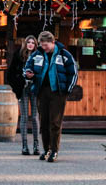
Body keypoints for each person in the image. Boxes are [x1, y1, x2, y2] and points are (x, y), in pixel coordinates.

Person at [24, 30, 77, 163]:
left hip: (58, 93)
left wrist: (67, 91)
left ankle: (54, 150)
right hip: (42, 92)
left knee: (55, 122)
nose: (44, 47)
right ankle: (46, 149)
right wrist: (28, 73)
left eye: (46, 45)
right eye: (42, 45)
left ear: (53, 42)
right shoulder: (37, 54)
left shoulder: (64, 55)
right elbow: (27, 67)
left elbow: (73, 73)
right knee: (44, 122)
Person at [8, 35, 40, 155]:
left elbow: (43, 72)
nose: (31, 44)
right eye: (28, 42)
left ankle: (36, 145)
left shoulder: (39, 56)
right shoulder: (19, 55)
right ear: (25, 44)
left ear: (36, 44)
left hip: (35, 88)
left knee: (35, 117)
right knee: (25, 117)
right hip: (23, 89)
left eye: (33, 42)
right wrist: (18, 84)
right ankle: (24, 145)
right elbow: (10, 74)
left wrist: (35, 76)